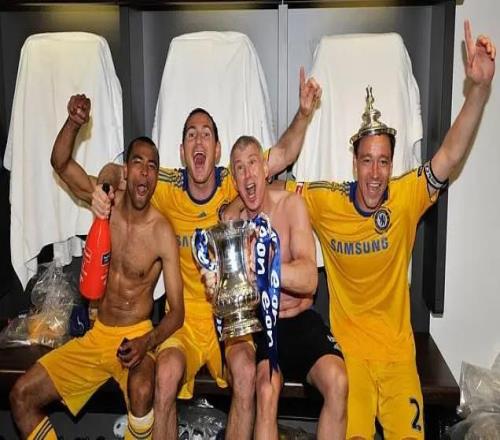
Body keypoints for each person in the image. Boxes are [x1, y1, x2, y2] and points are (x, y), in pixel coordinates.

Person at [282, 21, 495, 439]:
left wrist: (479, 90)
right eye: (367, 160)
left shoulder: (405, 196)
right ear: (354, 163)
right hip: (352, 356)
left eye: (383, 161)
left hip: (398, 358)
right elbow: (271, 188)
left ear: (392, 164)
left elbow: (450, 155)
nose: (375, 173)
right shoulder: (327, 200)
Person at [91, 68, 322, 439]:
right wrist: (103, 188)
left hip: (228, 319)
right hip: (182, 322)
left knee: (246, 373)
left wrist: (304, 113)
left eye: (206, 134)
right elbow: (116, 172)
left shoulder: (234, 180)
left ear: (216, 150)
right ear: (182, 152)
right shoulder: (164, 186)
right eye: (190, 134)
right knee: (165, 376)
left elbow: (281, 154)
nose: (198, 140)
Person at [9, 94, 184, 440]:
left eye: (152, 166)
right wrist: (74, 123)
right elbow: (60, 162)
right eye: (138, 162)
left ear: (156, 177)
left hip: (136, 335)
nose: (145, 171)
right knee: (21, 396)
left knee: (143, 390)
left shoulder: (162, 232)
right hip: (97, 333)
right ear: (126, 170)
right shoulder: (105, 202)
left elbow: (176, 312)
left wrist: (147, 341)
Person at [216, 135, 347, 440]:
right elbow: (229, 292)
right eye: (239, 168)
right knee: (266, 389)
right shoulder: (234, 226)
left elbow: (309, 279)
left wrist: (267, 269)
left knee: (338, 381)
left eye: (253, 163)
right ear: (234, 181)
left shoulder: (291, 205)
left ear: (265, 168)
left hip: (301, 320)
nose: (248, 174)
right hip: (265, 325)